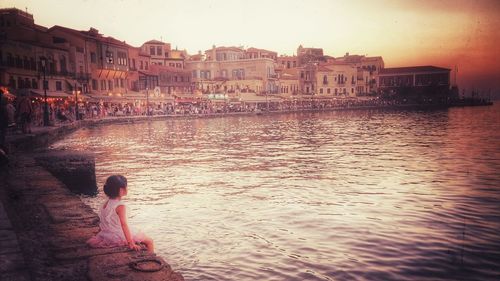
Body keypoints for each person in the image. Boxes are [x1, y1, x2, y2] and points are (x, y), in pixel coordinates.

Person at [87, 175, 154, 252]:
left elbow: (103, 220)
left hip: (106, 234)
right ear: (122, 190)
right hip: (117, 235)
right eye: (126, 186)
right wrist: (131, 243)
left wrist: (99, 233)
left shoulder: (105, 203)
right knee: (150, 241)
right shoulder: (120, 206)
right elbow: (124, 224)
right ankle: (153, 259)